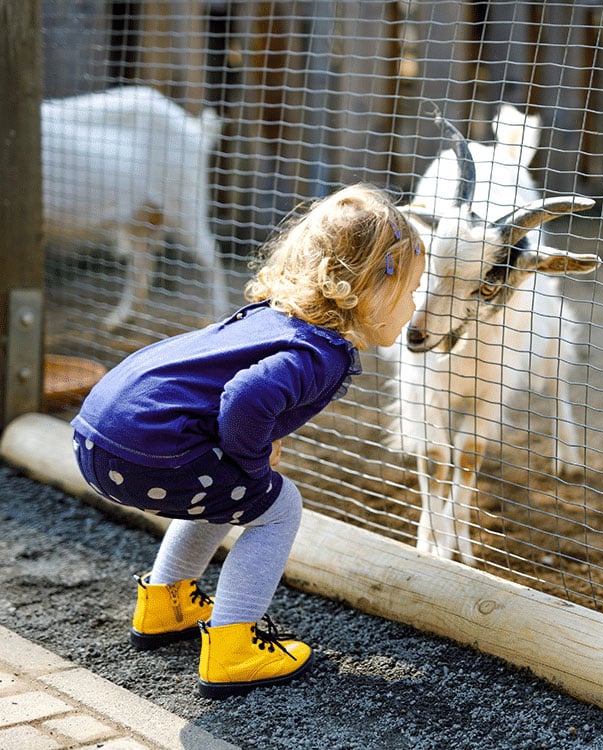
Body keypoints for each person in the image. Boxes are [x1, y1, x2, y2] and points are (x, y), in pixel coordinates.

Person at [71, 184, 425, 699]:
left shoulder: (272, 318)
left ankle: (165, 603)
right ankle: (235, 644)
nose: (416, 304)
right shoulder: (319, 352)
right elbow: (247, 397)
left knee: (230, 491)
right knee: (278, 505)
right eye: (412, 288)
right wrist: (254, 463)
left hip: (98, 438)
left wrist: (245, 459)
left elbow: (227, 396)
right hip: (150, 451)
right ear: (369, 287)